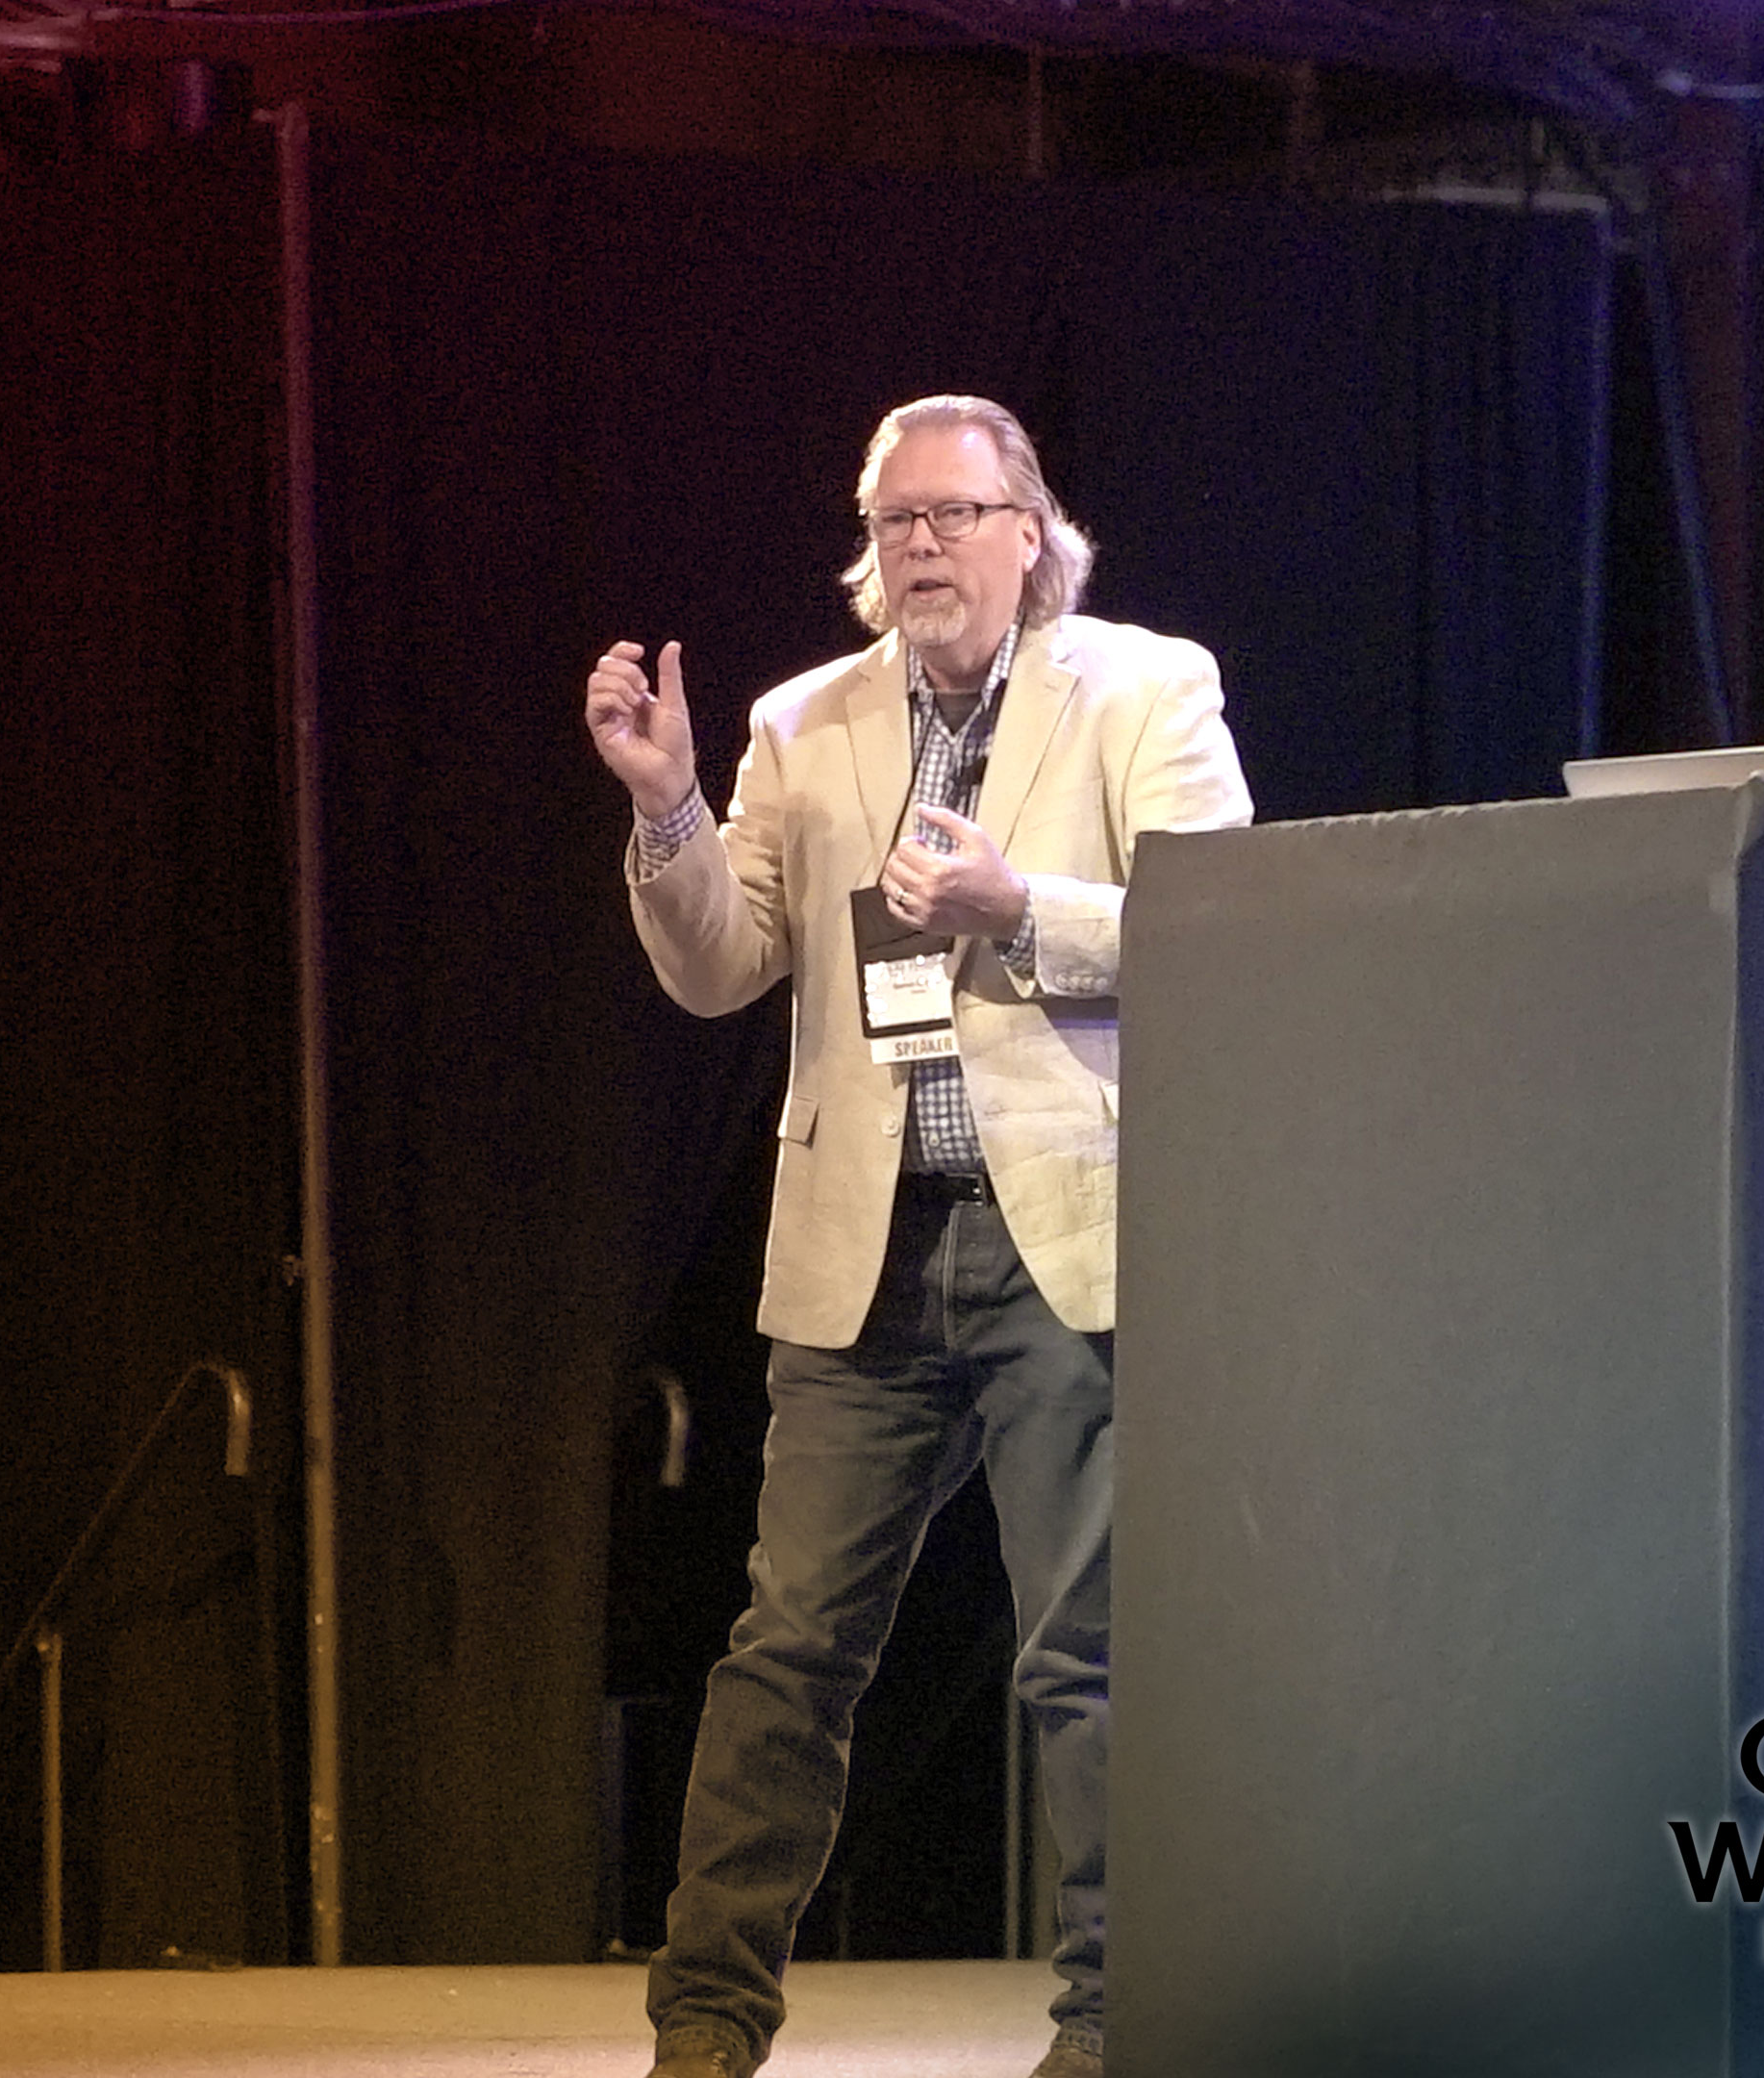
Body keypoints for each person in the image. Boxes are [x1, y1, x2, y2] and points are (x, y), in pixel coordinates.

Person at [585, 395, 1252, 2078]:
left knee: (1086, 1660)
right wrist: (666, 813)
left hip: (1060, 1249)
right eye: (897, 522)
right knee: (788, 1651)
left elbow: (1227, 928)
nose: (925, 547)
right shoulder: (802, 721)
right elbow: (719, 968)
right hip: (863, 1254)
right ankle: (704, 2024)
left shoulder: (1144, 688)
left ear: (1032, 532)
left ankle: (1111, 2029)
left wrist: (1016, 909)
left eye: (956, 515)